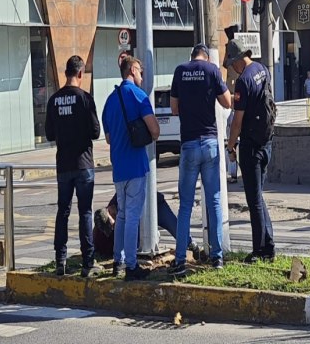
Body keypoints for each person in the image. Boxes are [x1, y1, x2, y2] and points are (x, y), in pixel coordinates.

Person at [169, 43, 232, 275]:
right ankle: (217, 258)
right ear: (206, 56)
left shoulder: (180, 71)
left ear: (192, 55)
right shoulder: (212, 70)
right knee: (214, 200)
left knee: (185, 204)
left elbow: (174, 108)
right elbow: (227, 102)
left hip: (188, 143)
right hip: (209, 143)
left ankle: (179, 259)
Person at [102, 56, 160, 281]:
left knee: (123, 215)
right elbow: (155, 131)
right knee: (133, 216)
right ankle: (131, 266)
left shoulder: (110, 100)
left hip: (118, 167)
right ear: (133, 70)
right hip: (136, 165)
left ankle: (118, 261)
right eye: (141, 72)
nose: (142, 77)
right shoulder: (138, 96)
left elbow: (107, 138)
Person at [45, 56, 101, 278]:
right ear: (80, 74)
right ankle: (88, 262)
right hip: (84, 163)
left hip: (63, 165)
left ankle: (61, 260)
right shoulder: (85, 99)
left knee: (63, 212)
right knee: (85, 212)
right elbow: (96, 132)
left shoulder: (53, 100)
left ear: (65, 73)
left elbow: (50, 134)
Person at [224, 39, 276, 264]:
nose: (232, 70)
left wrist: (230, 145)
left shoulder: (244, 81)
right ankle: (269, 245)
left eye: (231, 65)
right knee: (259, 197)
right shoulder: (262, 70)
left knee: (254, 201)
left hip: (251, 146)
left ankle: (259, 251)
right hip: (267, 142)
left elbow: (237, 121)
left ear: (237, 61)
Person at [92, 192, 200, 258]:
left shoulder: (119, 200)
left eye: (113, 220)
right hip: (140, 218)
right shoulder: (102, 233)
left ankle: (190, 244)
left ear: (109, 210)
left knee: (174, 226)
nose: (115, 225)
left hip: (155, 205)